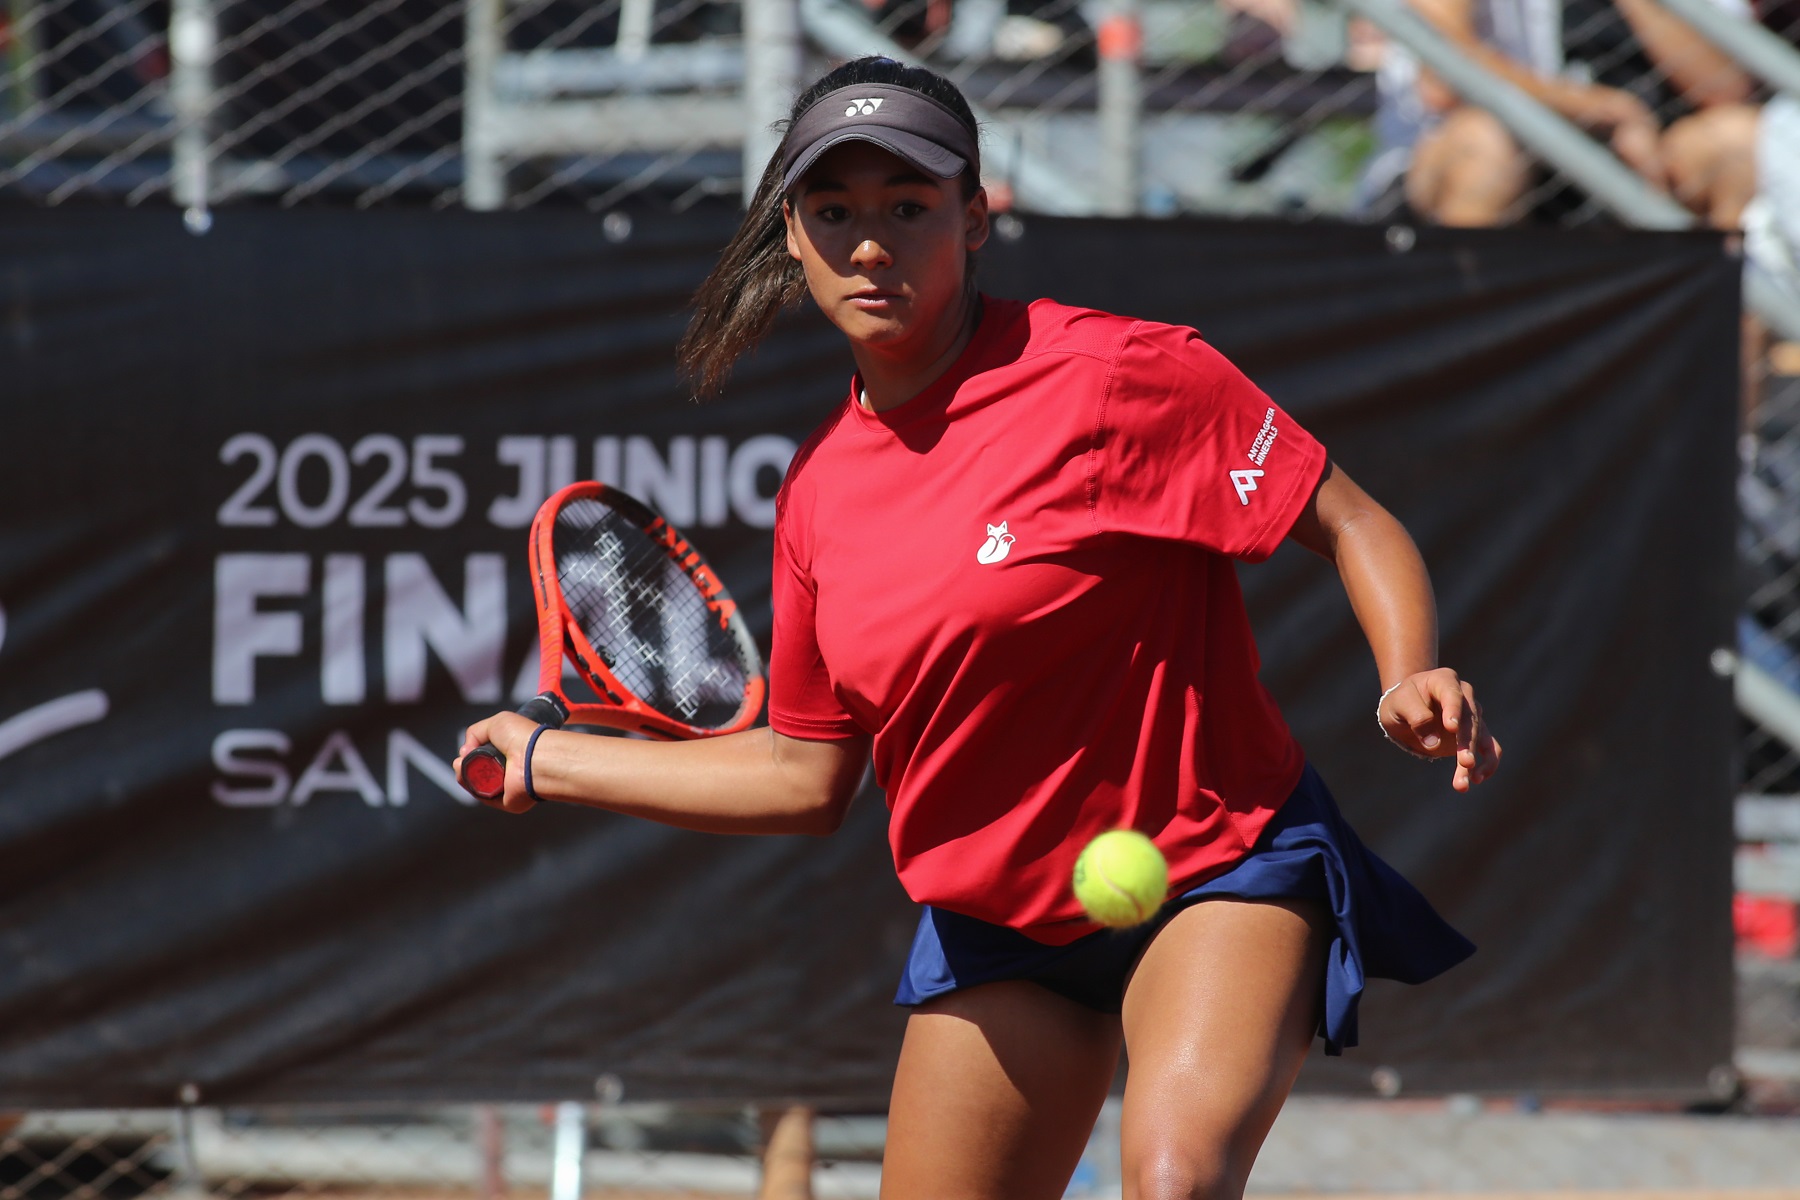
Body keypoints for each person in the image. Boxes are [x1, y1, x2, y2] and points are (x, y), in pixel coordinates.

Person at [457, 56, 1501, 1200]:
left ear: (974, 217)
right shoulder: (818, 497)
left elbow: (1353, 522)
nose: (870, 245)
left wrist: (1408, 671)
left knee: (1174, 1180)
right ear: (791, 238)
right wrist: (550, 761)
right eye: (834, 212)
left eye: (908, 208)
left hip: (1218, 860)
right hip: (996, 925)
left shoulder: (1120, 377)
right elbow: (804, 776)